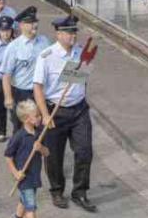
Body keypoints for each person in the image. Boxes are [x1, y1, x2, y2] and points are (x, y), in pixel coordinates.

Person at [33, 15, 96, 212]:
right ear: (58, 34)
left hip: (78, 110)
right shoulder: (46, 56)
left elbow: (83, 77)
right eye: (69, 32)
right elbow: (37, 87)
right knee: (54, 156)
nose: (73, 36)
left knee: (85, 151)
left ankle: (80, 192)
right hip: (55, 112)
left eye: (74, 32)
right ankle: (57, 190)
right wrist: (44, 114)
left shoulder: (80, 53)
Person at [0, 6, 51, 133]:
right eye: (30, 23)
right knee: (21, 128)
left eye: (35, 22)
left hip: (41, 92)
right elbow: (6, 75)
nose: (34, 25)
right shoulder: (14, 47)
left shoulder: (44, 41)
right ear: (21, 25)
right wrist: (8, 97)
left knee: (42, 128)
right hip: (22, 93)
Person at [5, 100, 50, 218]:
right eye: (36, 116)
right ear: (26, 119)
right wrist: (15, 173)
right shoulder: (18, 136)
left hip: (34, 176)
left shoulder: (39, 133)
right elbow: (8, 156)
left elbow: (47, 153)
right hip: (24, 178)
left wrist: (40, 148)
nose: (40, 117)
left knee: (24, 202)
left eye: (39, 115)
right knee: (31, 210)